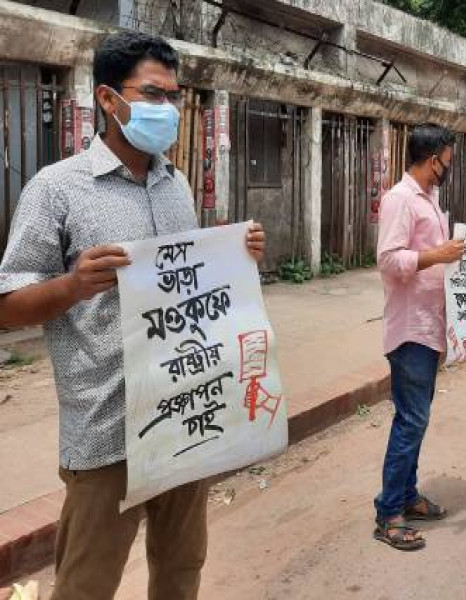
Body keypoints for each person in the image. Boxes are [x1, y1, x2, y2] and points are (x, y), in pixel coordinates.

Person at [0, 32, 267, 599]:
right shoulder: (56, 189)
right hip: (106, 431)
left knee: (181, 567)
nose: (166, 109)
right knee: (87, 584)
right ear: (108, 98)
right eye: (152, 94)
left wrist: (236, 257)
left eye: (173, 96)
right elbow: (7, 305)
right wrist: (72, 286)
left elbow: (188, 285)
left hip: (184, 414)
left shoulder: (176, 185)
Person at [374, 123, 465, 551]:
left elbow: (433, 257)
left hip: (429, 326)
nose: (449, 166)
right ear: (433, 160)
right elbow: (389, 260)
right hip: (410, 328)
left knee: (417, 418)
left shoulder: (429, 198)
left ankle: (407, 497)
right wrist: (437, 255)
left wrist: (459, 254)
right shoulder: (400, 199)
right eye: (448, 160)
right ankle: (389, 513)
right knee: (411, 420)